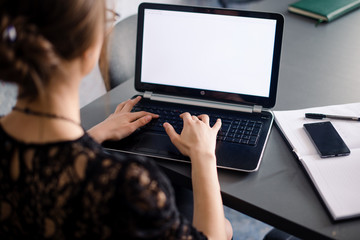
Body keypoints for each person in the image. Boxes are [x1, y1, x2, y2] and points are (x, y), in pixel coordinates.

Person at [0, 0, 233, 239]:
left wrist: (94, 135)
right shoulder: (126, 186)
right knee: (224, 227)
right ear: (89, 49)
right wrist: (203, 155)